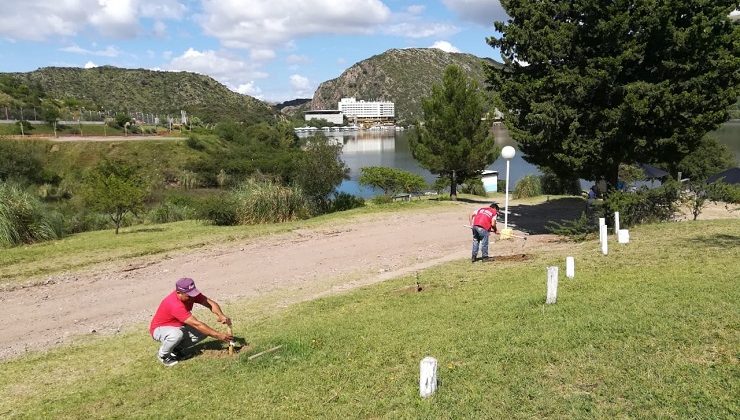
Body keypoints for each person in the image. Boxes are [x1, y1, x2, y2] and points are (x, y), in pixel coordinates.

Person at [149, 277, 233, 366]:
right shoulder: (174, 304)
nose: (192, 297)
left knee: (204, 332)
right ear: (178, 293)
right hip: (159, 329)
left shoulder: (192, 294)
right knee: (177, 334)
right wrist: (218, 335)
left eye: (193, 293)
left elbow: (210, 303)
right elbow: (196, 324)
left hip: (178, 326)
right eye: (188, 295)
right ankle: (163, 355)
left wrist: (221, 315)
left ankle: (175, 349)